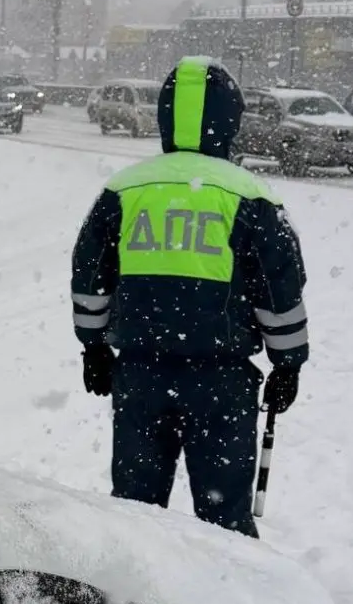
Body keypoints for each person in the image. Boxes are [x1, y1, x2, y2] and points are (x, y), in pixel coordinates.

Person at [70, 57, 308, 538]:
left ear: (165, 116)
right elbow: (278, 289)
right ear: (230, 120)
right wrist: (287, 364)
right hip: (221, 383)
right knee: (224, 523)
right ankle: (227, 580)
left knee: (134, 514)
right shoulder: (250, 195)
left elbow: (90, 276)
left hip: (140, 376)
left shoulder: (125, 189)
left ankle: (132, 580)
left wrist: (93, 347)